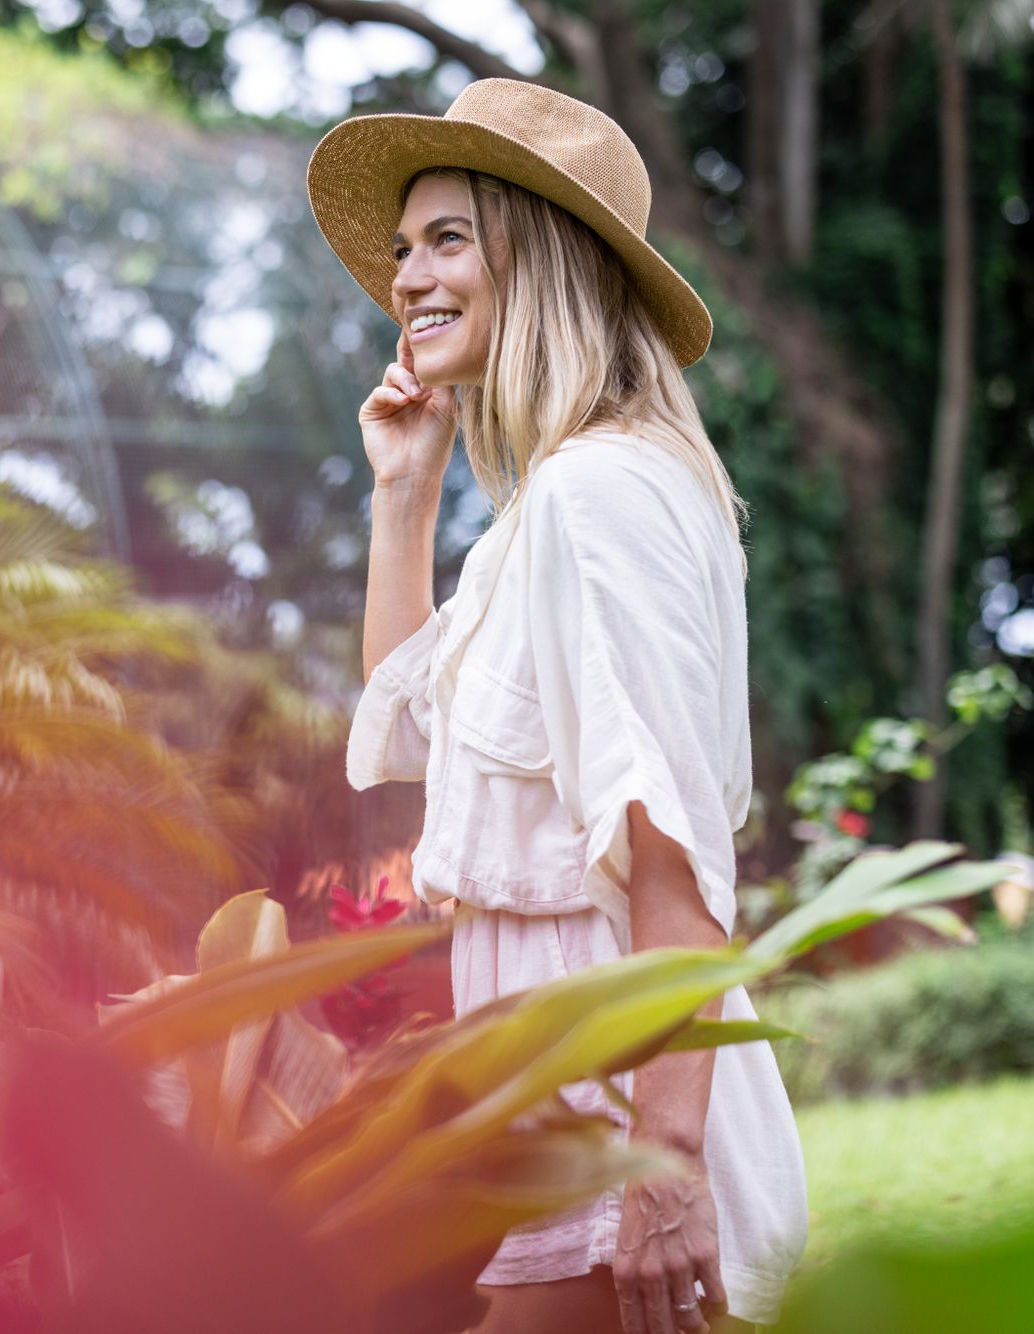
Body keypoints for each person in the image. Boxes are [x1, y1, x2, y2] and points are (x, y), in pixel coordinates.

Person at [305, 80, 809, 1333]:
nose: (404, 275)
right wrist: (403, 494)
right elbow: (410, 725)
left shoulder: (600, 494)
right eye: (401, 245)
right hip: (566, 1100)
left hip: (621, 1100)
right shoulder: (550, 506)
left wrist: (664, 1162)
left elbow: (666, 846)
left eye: (447, 237)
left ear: (540, 258)